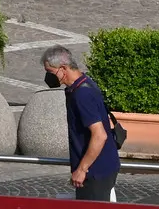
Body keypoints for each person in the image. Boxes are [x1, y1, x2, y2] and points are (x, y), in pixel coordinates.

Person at [42, 45, 121, 202]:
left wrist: (82, 169)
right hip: (102, 168)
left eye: (50, 72)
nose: (47, 77)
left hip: (95, 172)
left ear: (63, 68)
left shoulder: (81, 94)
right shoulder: (84, 83)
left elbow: (100, 135)